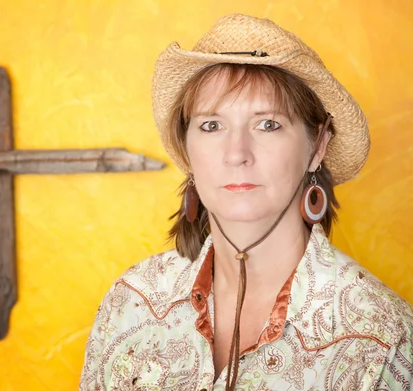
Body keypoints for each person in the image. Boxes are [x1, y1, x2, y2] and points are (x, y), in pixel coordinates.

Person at [78, 14, 413, 391]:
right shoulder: (132, 301)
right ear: (187, 150)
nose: (236, 154)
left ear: (317, 147)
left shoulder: (383, 339)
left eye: (268, 124)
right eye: (211, 125)